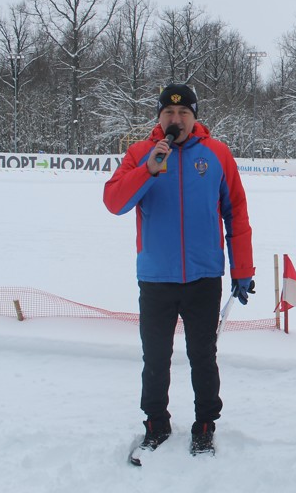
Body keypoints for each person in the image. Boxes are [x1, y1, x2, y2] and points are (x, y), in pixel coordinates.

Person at [103, 83, 255, 465]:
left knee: (203, 354)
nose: (176, 120)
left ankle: (205, 424)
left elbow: (236, 213)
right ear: (159, 117)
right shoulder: (140, 154)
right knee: (155, 355)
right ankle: (156, 423)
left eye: (183, 113)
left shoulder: (217, 154)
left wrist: (242, 268)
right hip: (156, 276)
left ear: (194, 117)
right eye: (169, 114)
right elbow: (114, 202)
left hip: (203, 275)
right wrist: (148, 170)